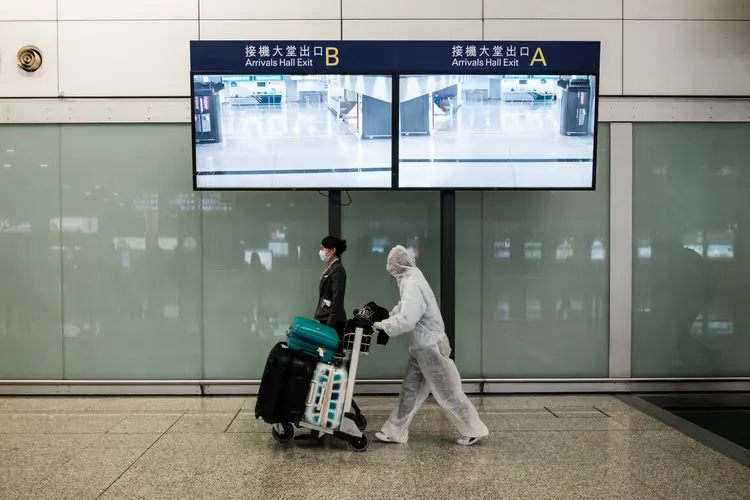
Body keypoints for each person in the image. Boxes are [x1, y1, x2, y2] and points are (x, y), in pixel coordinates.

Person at [373, 245, 489, 446]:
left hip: (430, 347)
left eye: (391, 265)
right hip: (422, 347)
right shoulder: (412, 278)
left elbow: (408, 318)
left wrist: (384, 325)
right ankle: (395, 430)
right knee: (410, 389)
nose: (390, 269)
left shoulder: (412, 283)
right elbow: (405, 307)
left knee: (448, 391)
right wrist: (388, 316)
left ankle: (473, 429)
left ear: (397, 265)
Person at [296, 235, 348, 443]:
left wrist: (329, 330)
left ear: (332, 249)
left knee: (323, 372)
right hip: (324, 321)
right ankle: (316, 423)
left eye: (323, 248)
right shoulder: (330, 268)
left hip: (331, 324)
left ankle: (318, 426)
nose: (321, 251)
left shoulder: (338, 270)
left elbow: (337, 300)